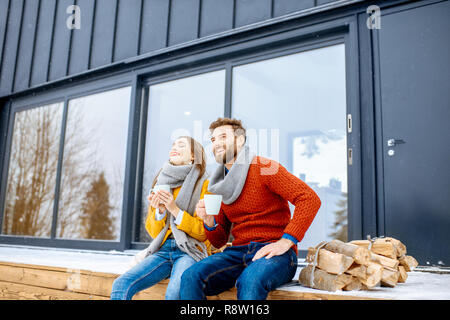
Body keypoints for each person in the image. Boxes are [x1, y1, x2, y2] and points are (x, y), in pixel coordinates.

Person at [179, 118, 322, 300]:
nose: (216, 143)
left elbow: (309, 198)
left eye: (223, 136)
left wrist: (286, 241)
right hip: (238, 253)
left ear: (240, 140)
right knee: (191, 276)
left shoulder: (264, 167)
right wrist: (209, 221)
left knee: (250, 280)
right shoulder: (218, 185)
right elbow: (219, 240)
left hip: (276, 254)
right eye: (213, 140)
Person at [110, 136, 212, 300]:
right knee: (121, 284)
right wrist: (160, 211)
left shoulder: (206, 183)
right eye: (173, 145)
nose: (174, 147)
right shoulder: (162, 181)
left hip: (190, 250)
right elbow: (153, 232)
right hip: (163, 249)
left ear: (193, 155)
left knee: (173, 294)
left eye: (181, 145)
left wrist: (174, 209)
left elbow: (204, 233)